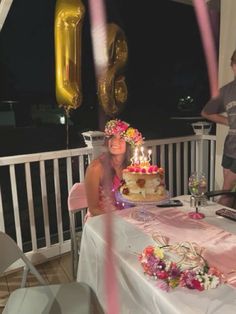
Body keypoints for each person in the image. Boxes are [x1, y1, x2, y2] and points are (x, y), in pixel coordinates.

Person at [84, 119, 143, 216]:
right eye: (112, 137)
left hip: (127, 216)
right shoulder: (96, 168)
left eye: (121, 138)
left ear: (129, 144)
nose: (115, 141)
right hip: (102, 220)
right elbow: (93, 209)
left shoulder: (132, 166)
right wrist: (119, 219)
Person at [201, 49, 236, 208]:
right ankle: (223, 225)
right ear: (232, 66)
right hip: (230, 147)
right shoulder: (226, 91)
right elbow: (206, 112)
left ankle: (214, 217)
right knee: (227, 194)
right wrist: (229, 121)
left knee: (226, 190)